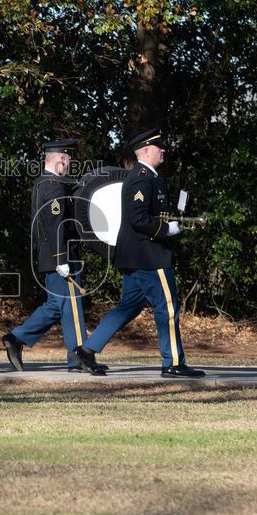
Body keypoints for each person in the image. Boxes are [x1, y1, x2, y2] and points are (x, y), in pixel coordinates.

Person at [73, 128, 204, 378]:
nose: (163, 150)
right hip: (149, 255)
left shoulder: (148, 176)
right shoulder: (142, 178)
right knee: (167, 307)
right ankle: (173, 362)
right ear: (145, 151)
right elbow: (138, 217)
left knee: (129, 306)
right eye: (158, 147)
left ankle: (87, 350)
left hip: (137, 255)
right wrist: (166, 229)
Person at [2, 139, 103, 374]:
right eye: (69, 160)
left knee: (56, 306)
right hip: (61, 257)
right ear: (61, 159)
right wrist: (61, 259)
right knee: (72, 308)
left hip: (51, 256)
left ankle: (16, 339)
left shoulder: (42, 183)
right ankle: (79, 357)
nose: (70, 164)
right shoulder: (54, 186)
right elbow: (55, 225)